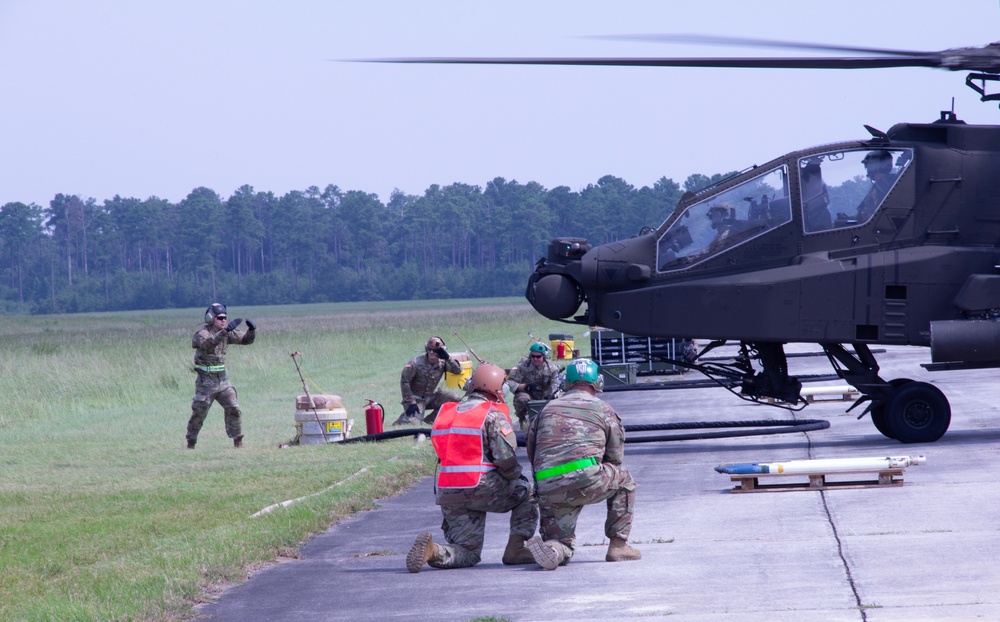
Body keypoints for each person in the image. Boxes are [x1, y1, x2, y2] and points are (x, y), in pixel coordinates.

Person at [406, 363, 539, 572]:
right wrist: (516, 477)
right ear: (496, 388)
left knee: (468, 552)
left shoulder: (446, 413)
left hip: (448, 491)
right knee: (528, 492)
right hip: (482, 487)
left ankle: (433, 551)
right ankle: (516, 549)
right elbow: (505, 459)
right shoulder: (492, 415)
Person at [525, 358, 640, 570]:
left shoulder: (545, 410)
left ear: (566, 383)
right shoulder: (603, 409)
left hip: (548, 485)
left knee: (561, 541)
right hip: (587, 479)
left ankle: (552, 550)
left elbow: (532, 452)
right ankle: (618, 545)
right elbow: (615, 458)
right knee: (624, 479)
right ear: (597, 382)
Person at [185, 303, 256, 449]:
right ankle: (191, 441)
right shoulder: (202, 334)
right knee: (199, 413)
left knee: (234, 408)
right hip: (205, 382)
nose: (224, 321)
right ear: (211, 318)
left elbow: (246, 340)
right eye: (220, 318)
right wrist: (225, 332)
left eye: (225, 318)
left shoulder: (227, 332)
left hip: (222, 380)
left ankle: (237, 440)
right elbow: (207, 344)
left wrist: (252, 330)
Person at [396, 336, 463, 425]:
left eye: (435, 350)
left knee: (455, 400)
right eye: (429, 349)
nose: (431, 352)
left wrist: (448, 358)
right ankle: (403, 420)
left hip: (431, 396)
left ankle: (429, 421)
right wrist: (410, 402)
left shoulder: (443, 362)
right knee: (413, 423)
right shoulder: (415, 362)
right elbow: (405, 381)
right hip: (416, 399)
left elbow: (458, 370)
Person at [505, 342, 561, 429]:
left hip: (546, 395)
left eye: (538, 357)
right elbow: (510, 382)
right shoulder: (522, 366)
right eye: (533, 356)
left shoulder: (552, 367)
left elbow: (556, 383)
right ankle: (522, 422)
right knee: (522, 399)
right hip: (528, 394)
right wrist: (525, 386)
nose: (535, 359)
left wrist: (552, 394)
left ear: (544, 357)